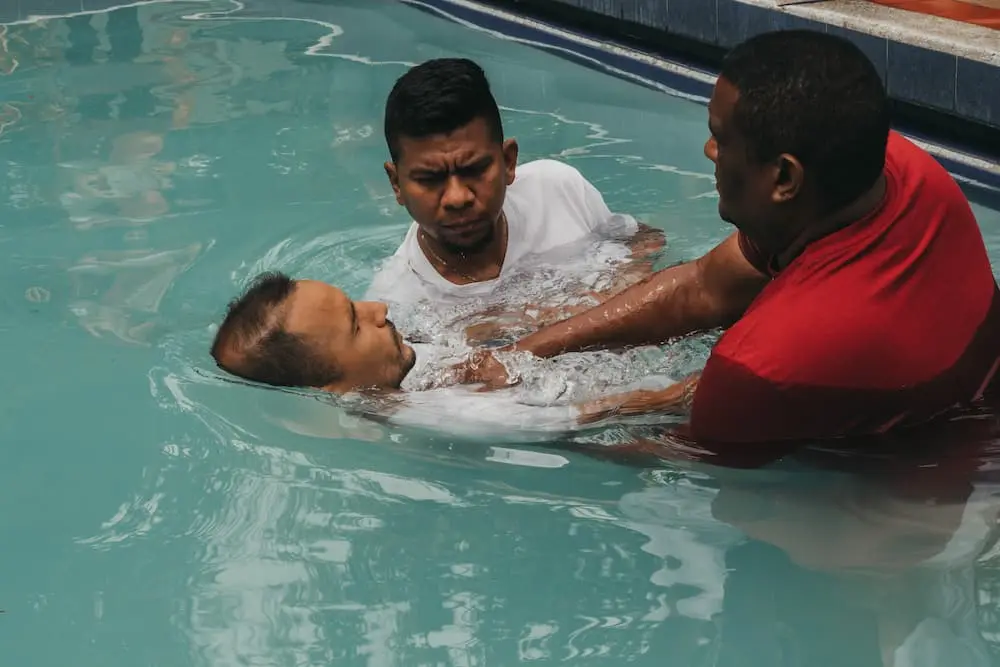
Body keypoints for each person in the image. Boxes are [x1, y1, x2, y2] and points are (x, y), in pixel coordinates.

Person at [453, 29, 1000, 445]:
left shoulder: (765, 362)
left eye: (720, 138)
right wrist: (520, 354)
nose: (709, 153)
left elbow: (680, 453)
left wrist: (514, 422)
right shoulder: (905, 169)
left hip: (937, 481)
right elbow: (703, 289)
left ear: (783, 178)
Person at [365, 57, 663, 307]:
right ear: (396, 184)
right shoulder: (396, 303)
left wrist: (623, 285)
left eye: (474, 169)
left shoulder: (557, 190)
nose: (458, 197)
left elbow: (644, 240)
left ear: (508, 161)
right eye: (430, 179)